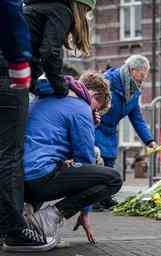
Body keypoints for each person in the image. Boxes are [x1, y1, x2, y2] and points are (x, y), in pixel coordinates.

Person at [23, 73, 121, 244]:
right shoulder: (80, 107)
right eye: (97, 108)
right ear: (93, 95)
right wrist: (85, 212)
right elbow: (85, 158)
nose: (95, 113)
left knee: (51, 165)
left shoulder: (42, 98)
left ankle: (25, 214)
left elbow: (50, 143)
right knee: (113, 179)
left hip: (18, 180)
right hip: (39, 179)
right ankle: (47, 219)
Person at [0, 0, 56, 252]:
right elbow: (8, 8)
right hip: (5, 71)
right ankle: (13, 229)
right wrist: (19, 61)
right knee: (9, 155)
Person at [95, 55, 156, 209]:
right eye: (141, 75)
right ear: (132, 70)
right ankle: (92, 198)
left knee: (109, 162)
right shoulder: (108, 81)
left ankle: (105, 197)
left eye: (145, 76)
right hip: (95, 125)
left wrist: (149, 140)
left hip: (110, 129)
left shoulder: (134, 92)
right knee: (96, 161)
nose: (143, 79)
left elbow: (137, 118)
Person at [23, 0, 96, 96]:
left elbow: (33, 52)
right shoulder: (61, 11)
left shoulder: (35, 8)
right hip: (10, 71)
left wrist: (34, 85)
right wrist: (61, 88)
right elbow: (50, 52)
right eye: (86, 11)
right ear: (80, 8)